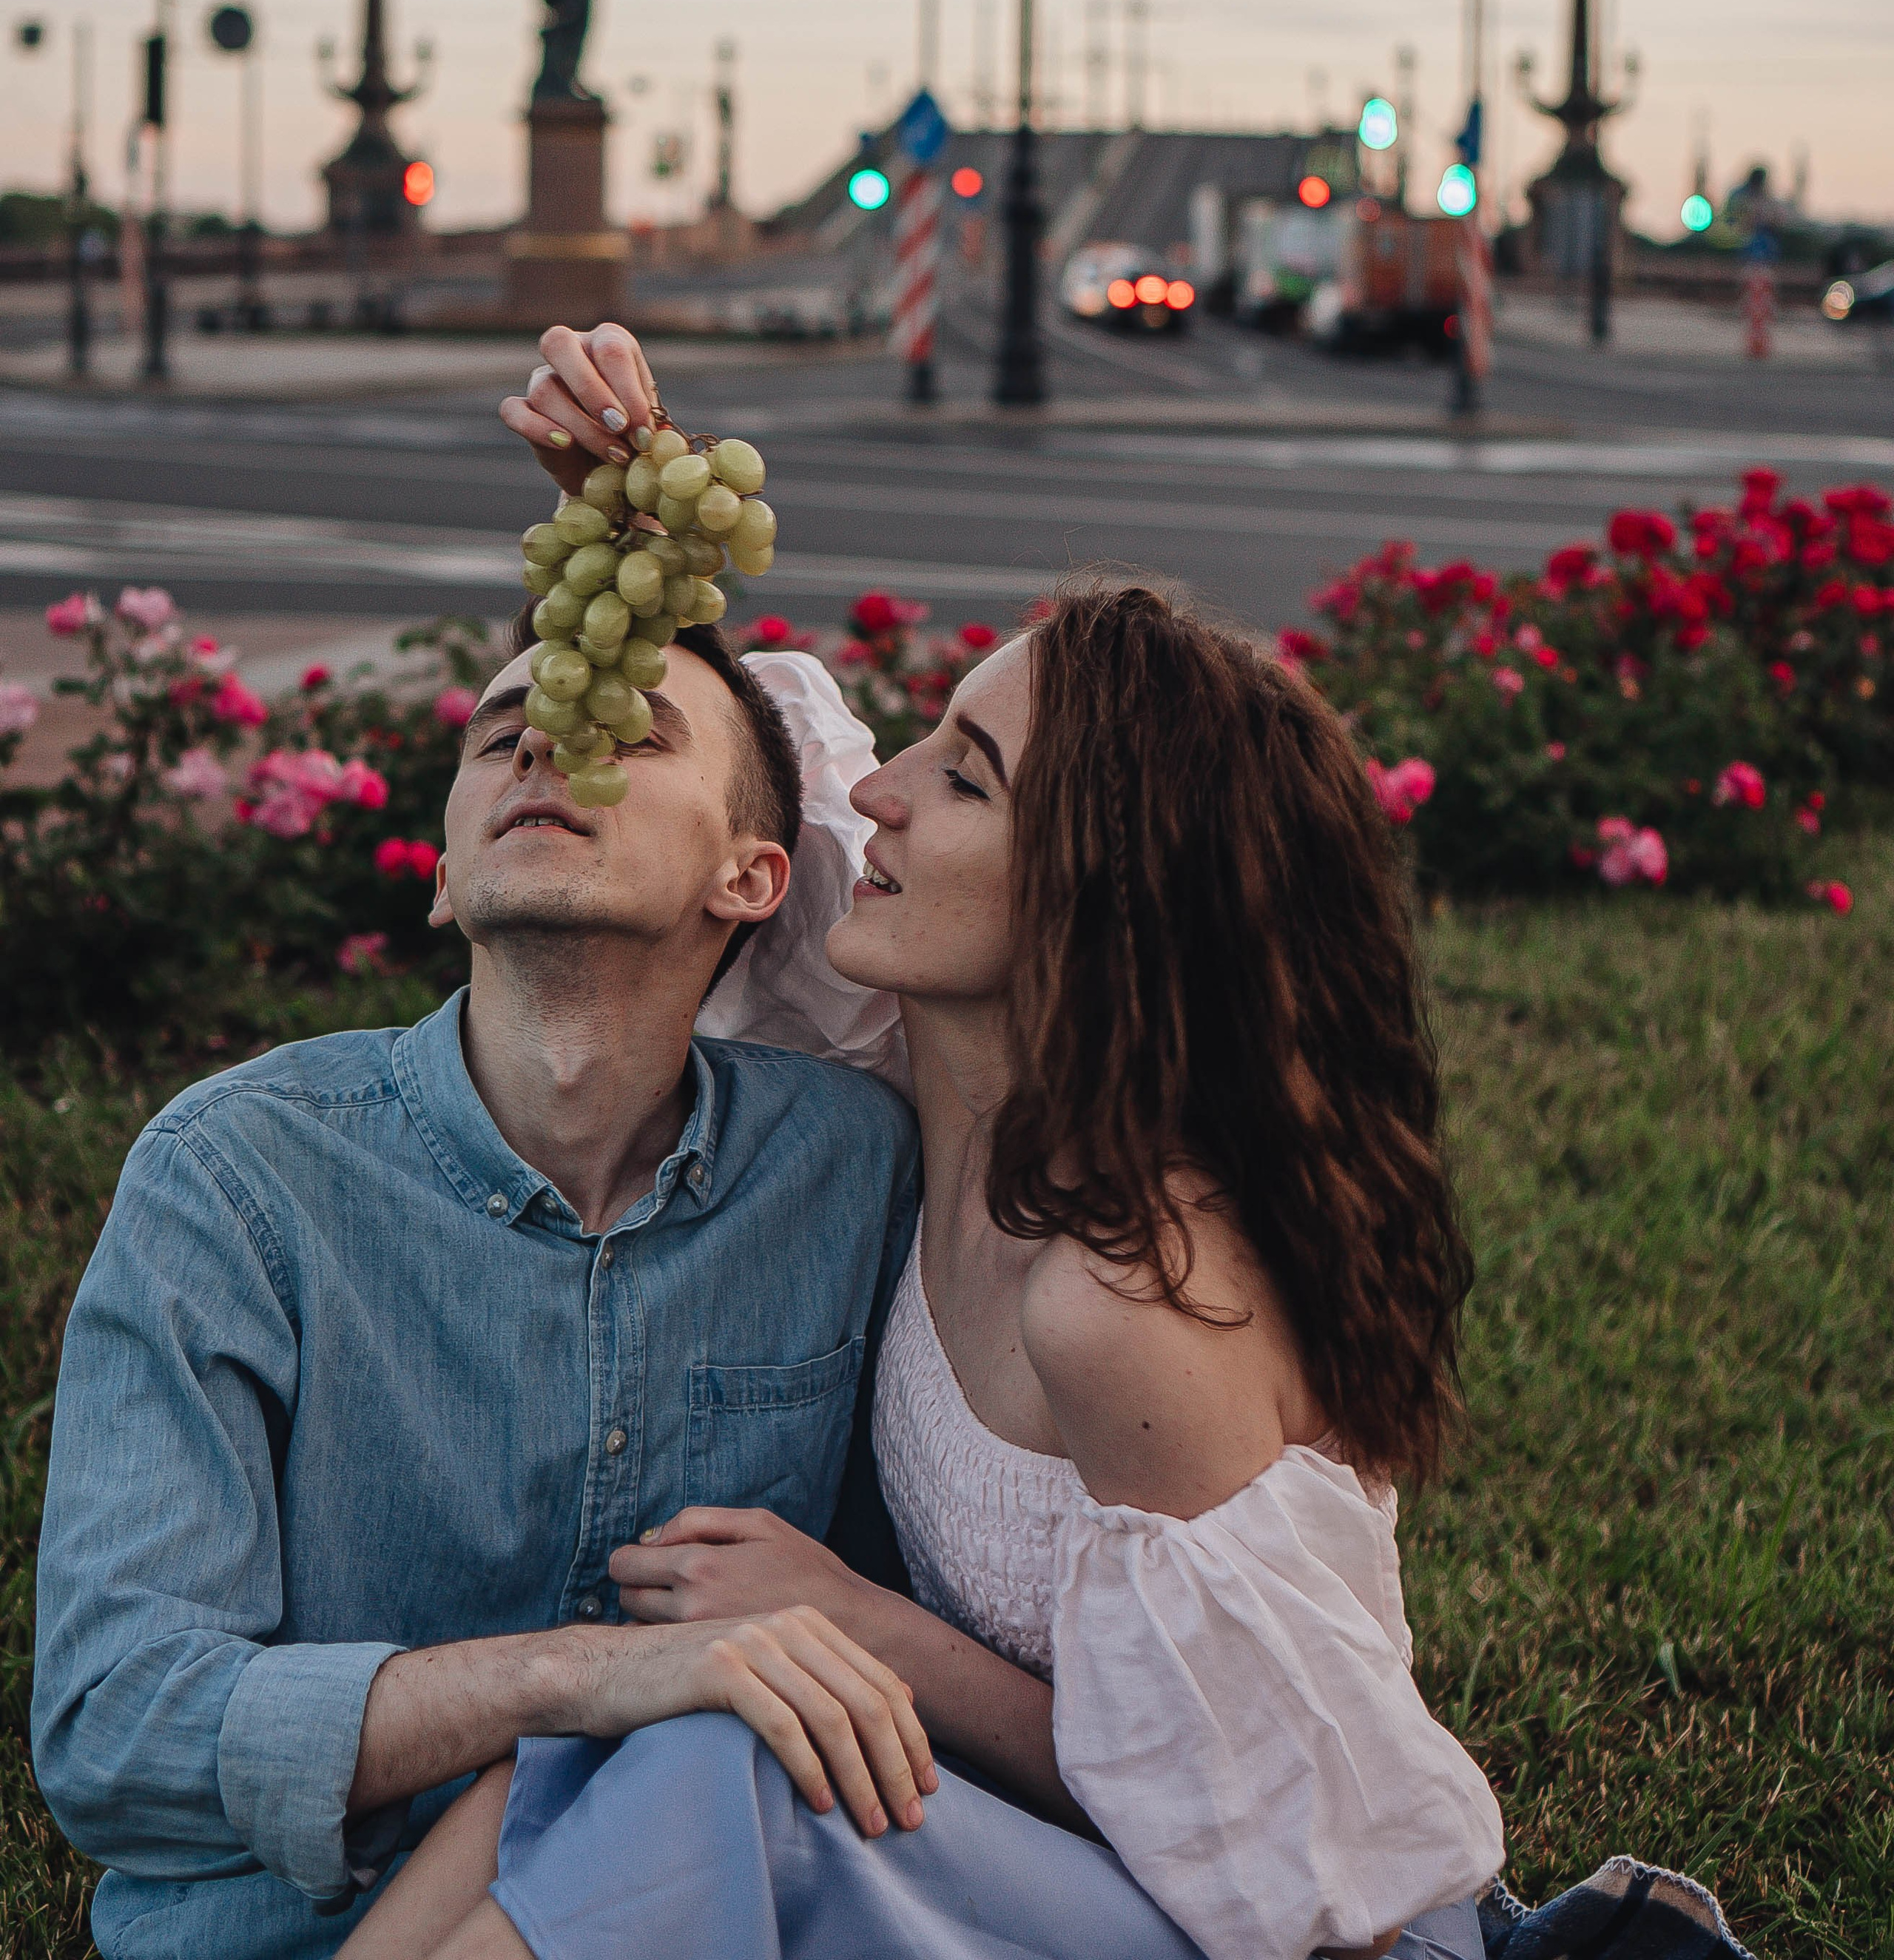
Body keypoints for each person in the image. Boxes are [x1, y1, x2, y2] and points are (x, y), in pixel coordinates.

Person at [352, 327, 1506, 1960]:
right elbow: (752, 796)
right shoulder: (931, 1064)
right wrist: (636, 495)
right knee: (595, 1717)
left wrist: (855, 1621)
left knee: (720, 1756)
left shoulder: (1130, 1303)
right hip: (1079, 1858)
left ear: (1095, 897)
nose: (883, 793)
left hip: (1265, 1922)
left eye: (962, 778)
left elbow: (1270, 1846)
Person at [32, 614, 927, 1960]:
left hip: (703, 1908)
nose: (540, 750)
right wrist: (585, 1678)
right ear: (446, 876)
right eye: (502, 734)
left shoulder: (849, 1168)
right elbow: (113, 1727)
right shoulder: (232, 1173)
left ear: (750, 878)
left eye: (627, 734)